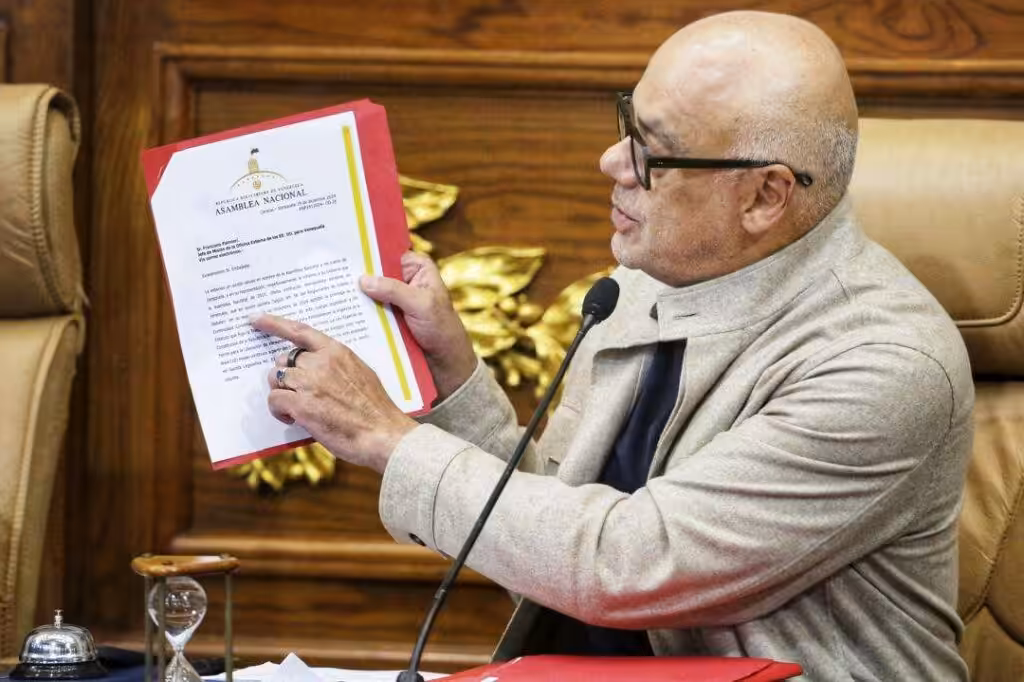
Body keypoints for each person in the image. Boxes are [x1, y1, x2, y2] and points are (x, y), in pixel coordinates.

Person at [251, 10, 973, 681]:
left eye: (653, 153)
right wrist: (451, 370)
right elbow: (548, 535)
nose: (611, 162)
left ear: (765, 197)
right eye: (627, 121)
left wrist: (387, 439)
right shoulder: (642, 286)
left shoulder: (884, 363)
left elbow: (626, 566)